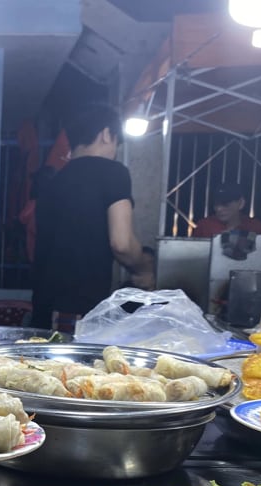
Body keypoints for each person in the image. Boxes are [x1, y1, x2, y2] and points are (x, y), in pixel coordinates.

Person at [29, 102, 151, 329]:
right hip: (79, 310)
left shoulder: (52, 182)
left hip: (44, 307)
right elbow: (122, 243)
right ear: (106, 134)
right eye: (116, 142)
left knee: (43, 364)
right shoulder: (112, 172)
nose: (115, 150)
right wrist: (143, 267)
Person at [192, 183, 261, 238]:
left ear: (241, 203)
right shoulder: (204, 226)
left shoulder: (256, 227)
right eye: (216, 204)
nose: (219, 209)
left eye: (225, 204)